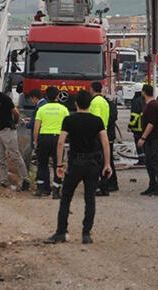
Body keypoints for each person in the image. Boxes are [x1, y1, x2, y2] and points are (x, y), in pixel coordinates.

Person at [43, 90, 112, 245]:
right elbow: (105, 142)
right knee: (90, 199)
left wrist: (59, 164)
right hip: (93, 164)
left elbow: (61, 142)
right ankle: (86, 234)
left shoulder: (69, 120)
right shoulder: (97, 121)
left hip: (75, 163)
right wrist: (107, 164)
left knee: (66, 197)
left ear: (76, 104)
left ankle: (61, 232)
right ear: (90, 104)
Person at [0, 79, 31, 191]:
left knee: (15, 156)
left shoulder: (4, 98)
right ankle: (3, 181)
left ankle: (25, 180)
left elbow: (16, 112)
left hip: (8, 131)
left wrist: (14, 123)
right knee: (0, 157)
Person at [33, 86, 70, 198]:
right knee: (57, 164)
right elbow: (68, 126)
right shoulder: (64, 109)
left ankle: (41, 189)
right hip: (58, 139)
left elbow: (36, 127)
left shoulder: (42, 109)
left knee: (42, 164)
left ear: (46, 96)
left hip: (44, 138)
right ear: (58, 96)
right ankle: (56, 190)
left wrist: (35, 141)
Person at [138, 85, 158, 196]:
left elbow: (151, 124)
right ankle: (153, 185)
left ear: (144, 92)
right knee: (150, 163)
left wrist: (143, 138)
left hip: (152, 139)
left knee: (154, 163)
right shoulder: (156, 105)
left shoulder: (151, 106)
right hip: (155, 138)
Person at [89, 82, 112, 196]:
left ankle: (97, 187)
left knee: (95, 162)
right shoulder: (104, 101)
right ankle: (104, 187)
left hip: (96, 134)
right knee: (104, 161)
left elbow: (96, 119)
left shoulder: (94, 102)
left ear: (92, 89)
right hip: (104, 132)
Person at [128, 91, 146, 165]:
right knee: (144, 144)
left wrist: (130, 125)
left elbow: (134, 115)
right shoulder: (145, 100)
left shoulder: (136, 101)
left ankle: (141, 160)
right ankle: (146, 159)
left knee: (138, 144)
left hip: (137, 127)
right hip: (144, 126)